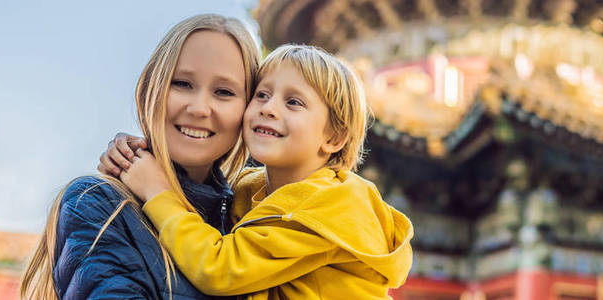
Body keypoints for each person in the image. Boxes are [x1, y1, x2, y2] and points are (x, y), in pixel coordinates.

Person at [102, 44, 413, 299]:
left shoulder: (333, 204)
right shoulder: (249, 189)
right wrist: (140, 155)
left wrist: (157, 191)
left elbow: (219, 268)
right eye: (262, 95)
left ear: (333, 138)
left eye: (293, 102)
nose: (268, 107)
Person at [19, 14, 261, 300]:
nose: (199, 108)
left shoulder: (254, 217)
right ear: (150, 90)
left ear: (250, 110)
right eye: (182, 83)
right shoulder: (98, 203)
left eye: (223, 92)